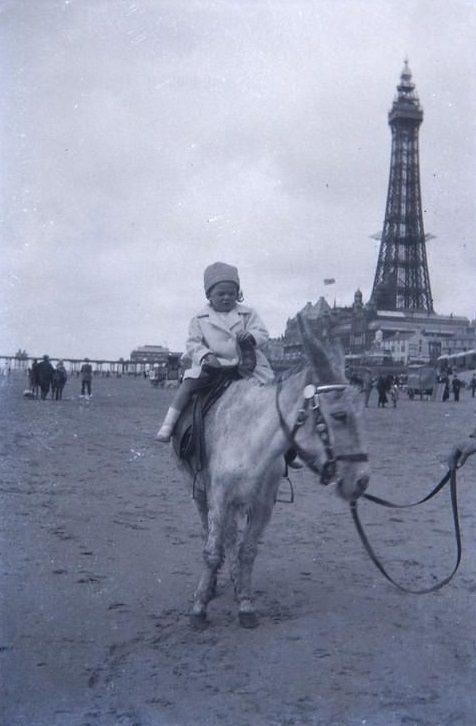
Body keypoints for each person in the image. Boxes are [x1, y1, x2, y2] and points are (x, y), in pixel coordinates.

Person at [156, 261, 274, 442]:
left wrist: (250, 336)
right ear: (209, 295)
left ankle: (288, 447)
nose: (226, 297)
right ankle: (169, 424)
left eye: (232, 293)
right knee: (187, 386)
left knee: (270, 395)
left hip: (247, 364)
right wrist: (205, 355)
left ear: (238, 294)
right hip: (213, 365)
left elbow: (263, 333)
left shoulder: (248, 314)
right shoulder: (199, 319)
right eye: (221, 294)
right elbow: (193, 342)